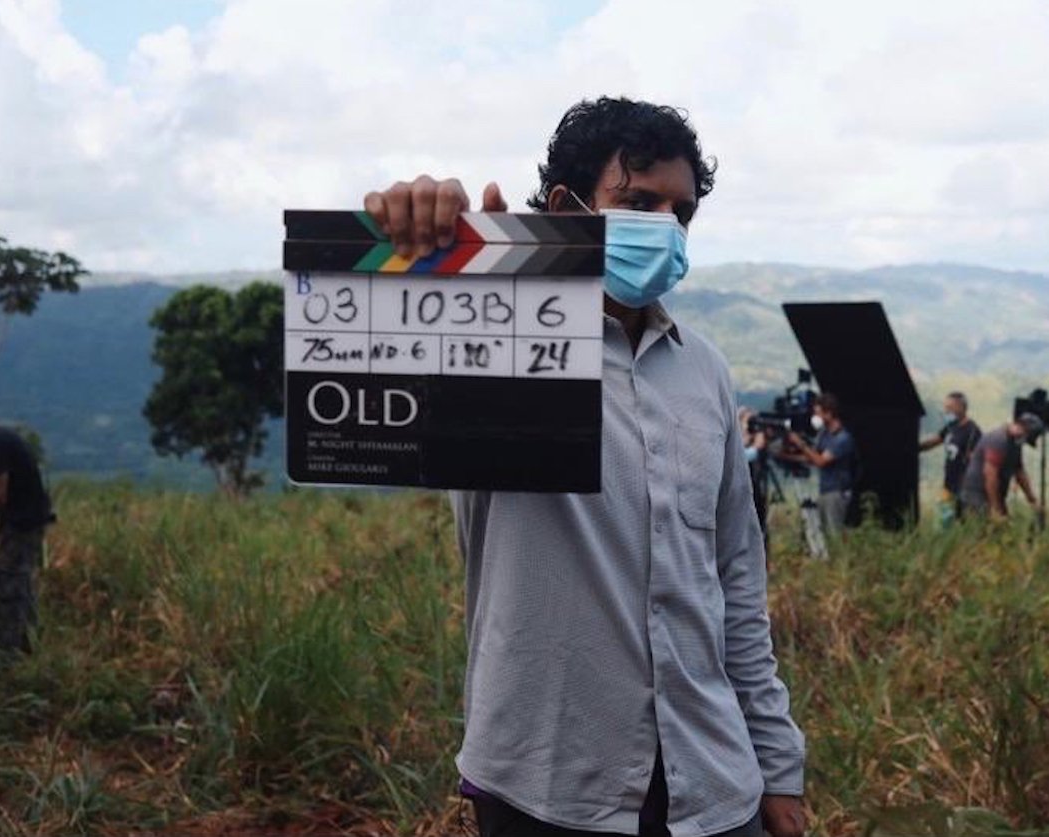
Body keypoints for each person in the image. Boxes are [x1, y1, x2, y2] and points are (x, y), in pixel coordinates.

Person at [364, 97, 805, 837]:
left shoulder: (705, 371)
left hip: (713, 777)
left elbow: (735, 577)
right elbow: (391, 361)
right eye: (638, 203)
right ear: (567, 207)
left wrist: (777, 761)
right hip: (547, 782)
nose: (665, 227)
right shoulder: (492, 343)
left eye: (681, 211)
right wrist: (423, 245)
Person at [0, 381, 52, 657]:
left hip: (23, 524)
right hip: (25, 520)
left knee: (6, 582)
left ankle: (7, 654)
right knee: (18, 582)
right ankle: (26, 647)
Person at [785, 394, 857, 539]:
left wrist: (800, 444)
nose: (815, 417)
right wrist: (786, 456)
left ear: (828, 413)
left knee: (834, 532)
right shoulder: (824, 434)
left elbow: (821, 461)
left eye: (818, 413)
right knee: (826, 533)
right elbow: (812, 457)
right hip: (824, 489)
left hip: (836, 491)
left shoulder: (842, 438)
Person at [959, 413, 1045, 521]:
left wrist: (1032, 500)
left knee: (1003, 525)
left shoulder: (1015, 443)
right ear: (1021, 428)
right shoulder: (998, 440)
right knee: (985, 527)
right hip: (977, 494)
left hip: (994, 494)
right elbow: (990, 476)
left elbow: (1019, 472)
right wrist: (995, 509)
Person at [918, 391, 983, 527]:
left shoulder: (973, 431)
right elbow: (935, 440)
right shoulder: (950, 426)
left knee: (965, 524)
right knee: (942, 525)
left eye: (949, 408)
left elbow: (976, 461)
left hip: (965, 488)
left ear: (961, 408)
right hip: (948, 486)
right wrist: (914, 448)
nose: (946, 411)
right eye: (945, 407)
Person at [739, 407, 771, 558]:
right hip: (740, 497)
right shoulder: (733, 444)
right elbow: (740, 458)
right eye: (748, 422)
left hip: (755, 491)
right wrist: (755, 447)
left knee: (760, 525)